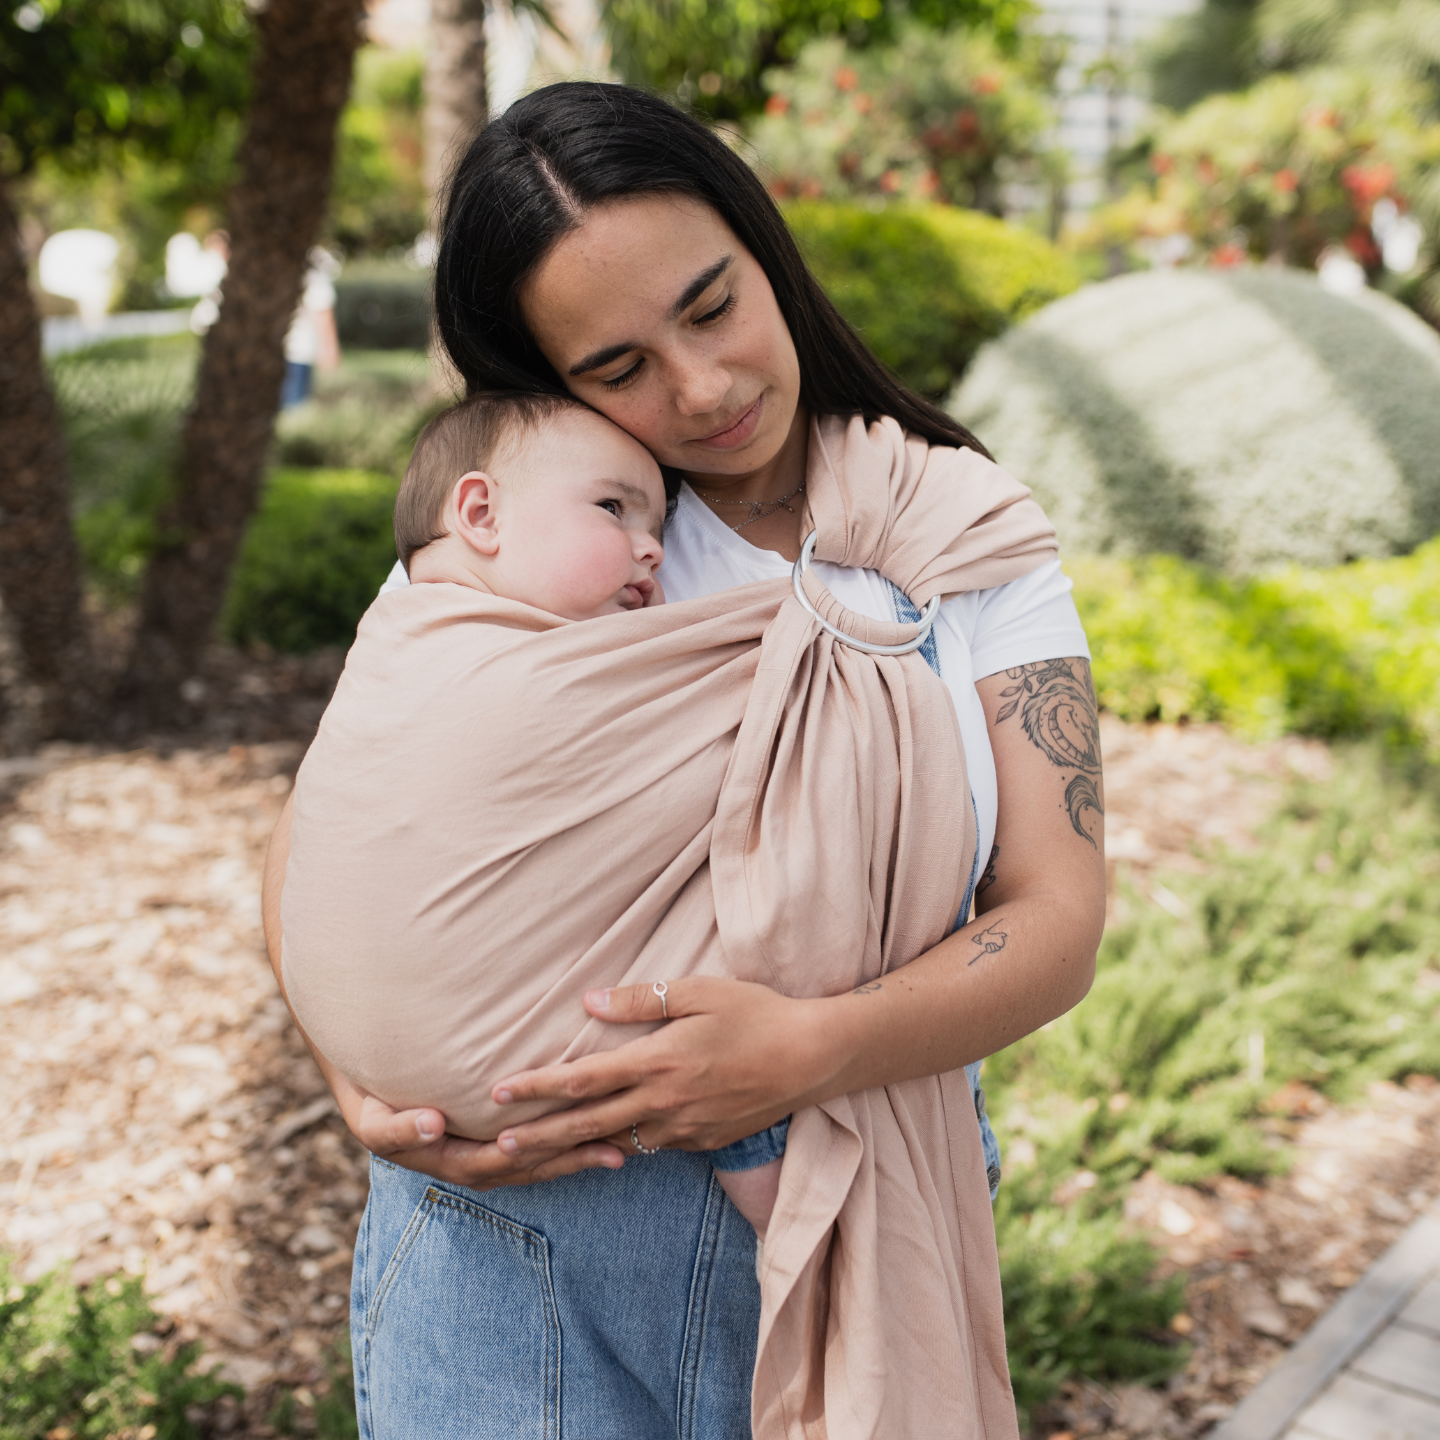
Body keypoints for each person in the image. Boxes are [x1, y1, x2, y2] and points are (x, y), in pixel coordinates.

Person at [262, 81, 1106, 1439]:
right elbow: (334, 824)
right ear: (550, 379)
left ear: (765, 250)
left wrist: (812, 1050)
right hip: (505, 1247)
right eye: (618, 369)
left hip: (846, 1195)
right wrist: (350, 1065)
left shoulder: (961, 538)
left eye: (711, 307)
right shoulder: (551, 542)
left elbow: (1058, 917)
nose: (701, 388)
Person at [282, 389, 787, 1237]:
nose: (652, 547)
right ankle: (779, 1190)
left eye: (656, 523)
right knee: (742, 911)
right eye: (614, 508)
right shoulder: (450, 649)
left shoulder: (407, 635)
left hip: (387, 1076)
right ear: (480, 514)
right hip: (530, 1073)